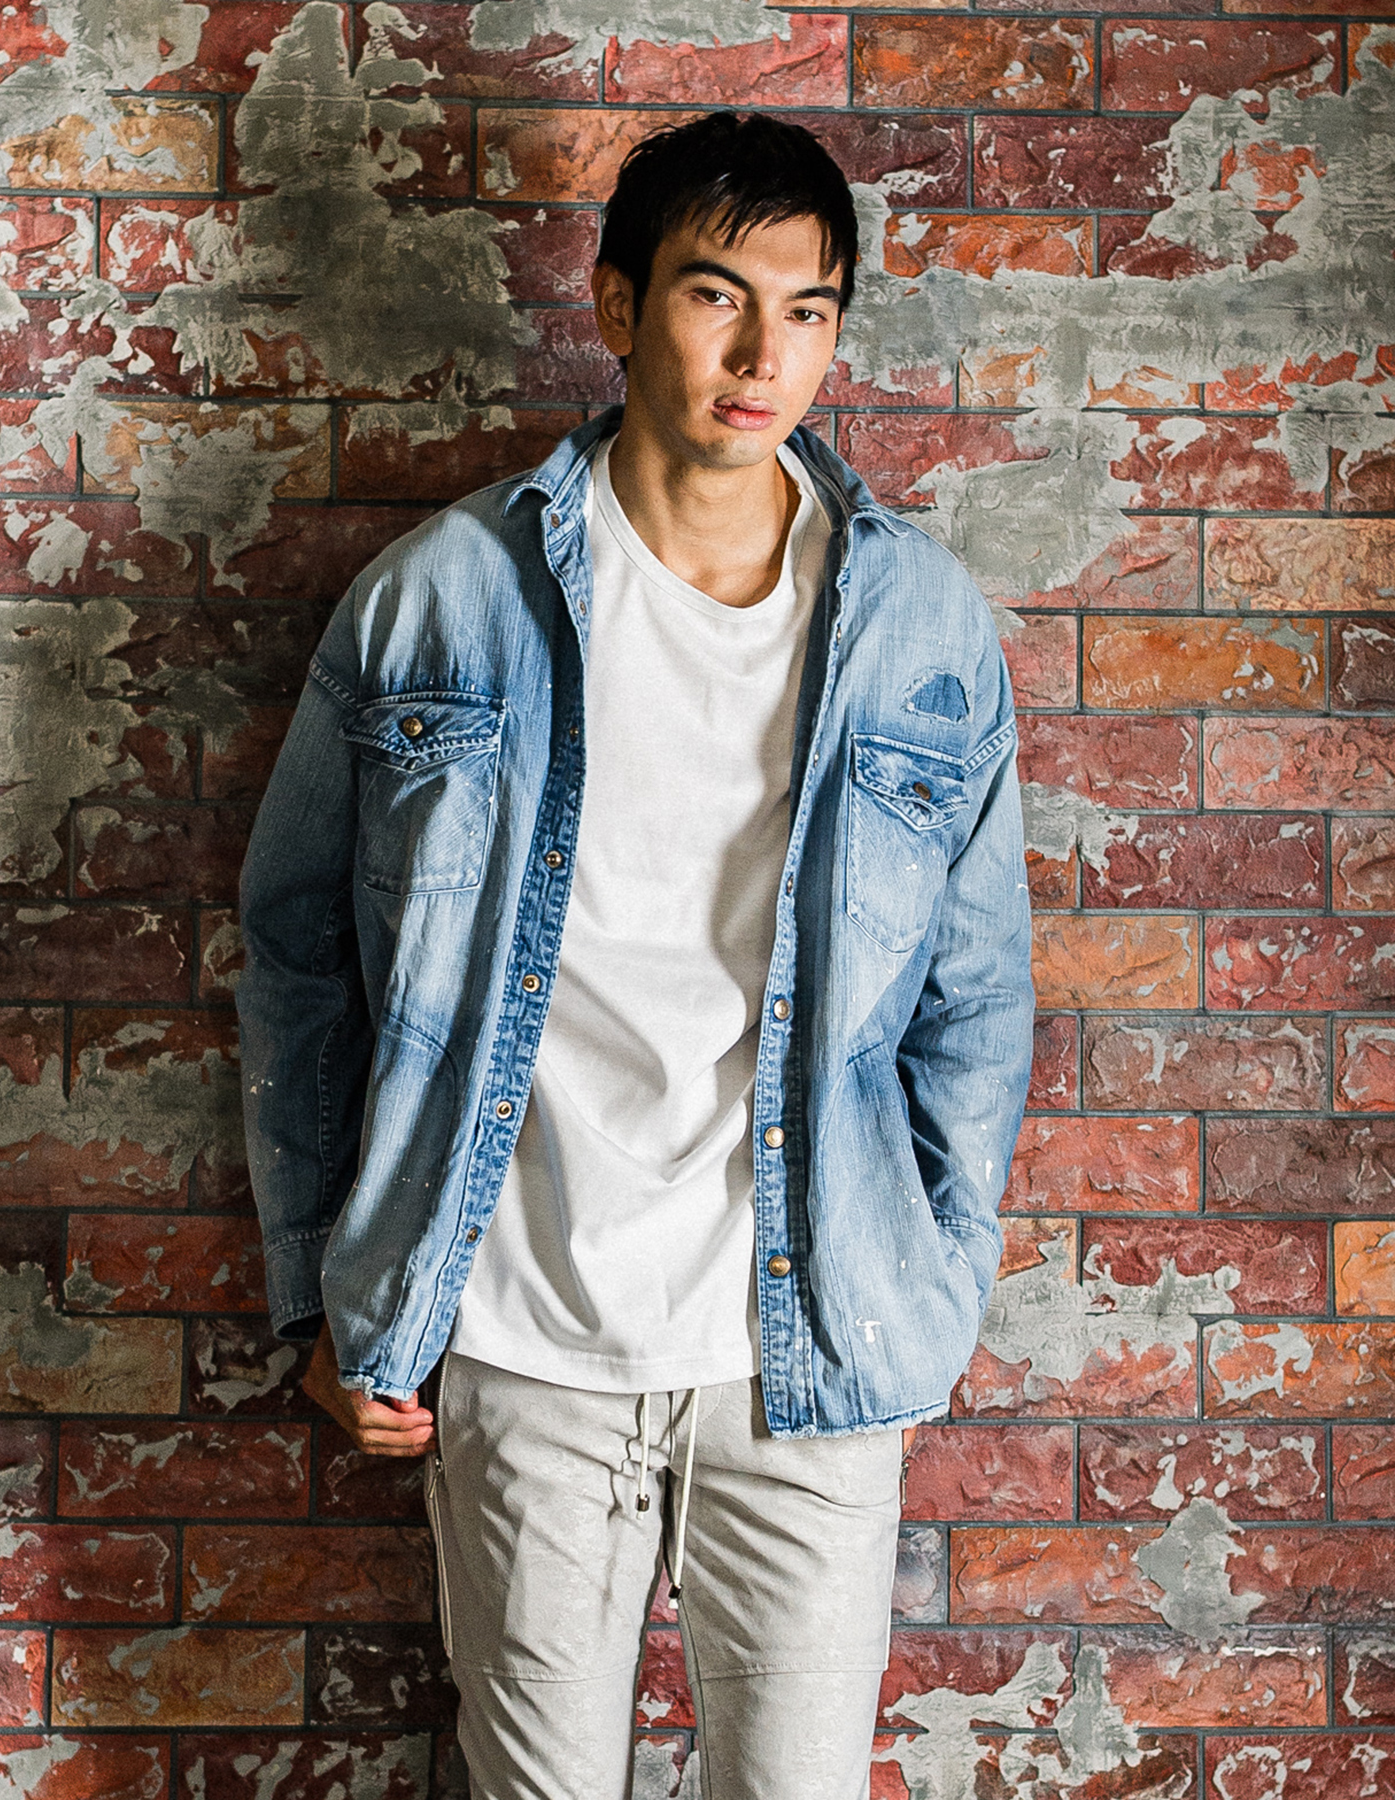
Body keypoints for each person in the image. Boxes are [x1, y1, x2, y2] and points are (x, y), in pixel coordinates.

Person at [238, 110, 1033, 1800]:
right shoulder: (441, 598)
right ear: (616, 305)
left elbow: (977, 1004)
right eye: (715, 295)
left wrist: (939, 1277)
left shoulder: (919, 625)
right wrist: (334, 1286)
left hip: (806, 1352)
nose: (762, 356)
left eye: (807, 311)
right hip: (522, 1339)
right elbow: (297, 956)